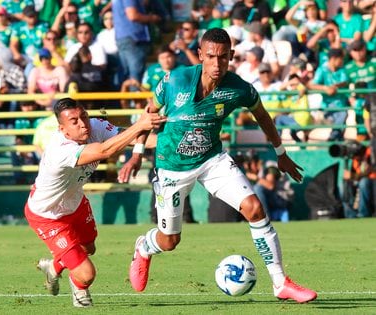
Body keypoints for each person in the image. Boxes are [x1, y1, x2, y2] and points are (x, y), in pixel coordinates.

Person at [118, 28, 317, 303]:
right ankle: (145, 247)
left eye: (223, 57)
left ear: (231, 56)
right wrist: (137, 153)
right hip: (172, 167)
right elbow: (148, 115)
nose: (216, 63)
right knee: (170, 241)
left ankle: (280, 283)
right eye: (210, 56)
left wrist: (280, 152)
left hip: (213, 160)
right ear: (200, 55)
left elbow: (262, 116)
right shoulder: (174, 80)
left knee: (255, 209)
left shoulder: (238, 89)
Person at [24, 97, 166, 308]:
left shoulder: (95, 127)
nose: (83, 123)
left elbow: (130, 138)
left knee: (88, 248)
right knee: (86, 273)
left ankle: (53, 267)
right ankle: (79, 293)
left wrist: (173, 137)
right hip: (48, 216)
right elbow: (104, 151)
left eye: (84, 116)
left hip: (75, 203)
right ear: (63, 129)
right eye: (74, 121)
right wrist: (140, 125)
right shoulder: (59, 149)